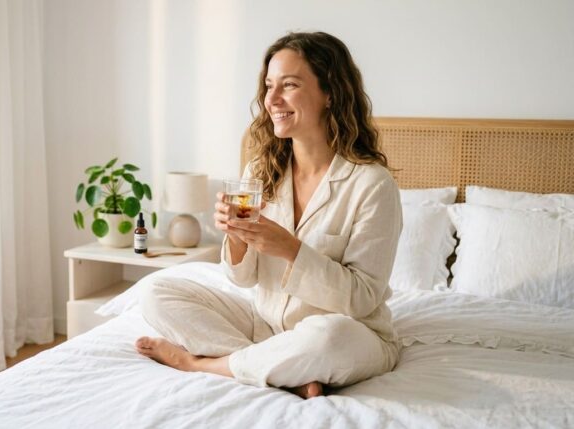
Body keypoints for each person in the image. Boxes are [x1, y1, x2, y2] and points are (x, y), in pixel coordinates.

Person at [135, 31, 402, 399]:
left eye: (289, 85)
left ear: (330, 93)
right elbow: (242, 280)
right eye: (268, 86)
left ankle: (204, 364)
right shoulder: (261, 170)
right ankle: (284, 369)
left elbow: (362, 298)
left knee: (328, 339)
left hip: (349, 331)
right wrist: (235, 235)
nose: (272, 99)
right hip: (265, 323)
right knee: (154, 290)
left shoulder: (372, 184)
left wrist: (290, 249)